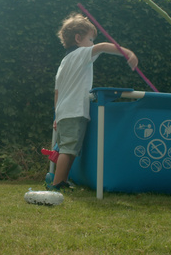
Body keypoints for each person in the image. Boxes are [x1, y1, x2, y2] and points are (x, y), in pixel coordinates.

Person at [48, 13, 138, 191]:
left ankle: (62, 181)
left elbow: (57, 92)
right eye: (90, 39)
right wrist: (128, 53)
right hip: (74, 110)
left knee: (69, 147)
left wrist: (56, 115)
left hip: (64, 111)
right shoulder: (82, 54)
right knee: (68, 149)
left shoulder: (64, 62)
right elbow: (103, 47)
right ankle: (57, 184)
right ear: (78, 38)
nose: (92, 43)